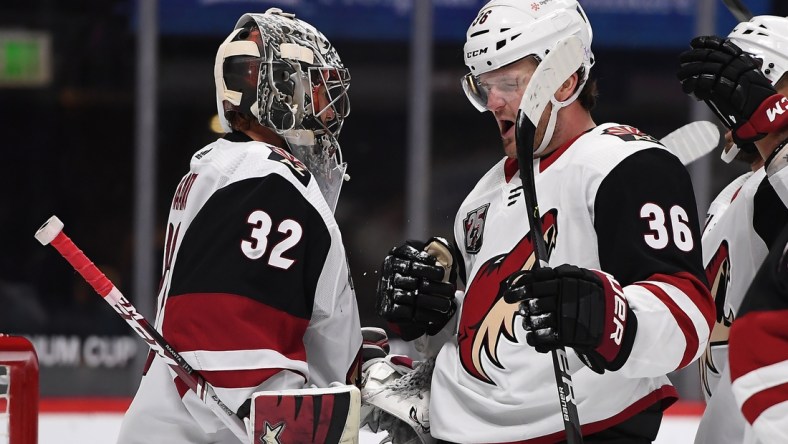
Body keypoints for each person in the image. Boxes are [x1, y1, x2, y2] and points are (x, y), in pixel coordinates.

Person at [372, 1, 714, 442]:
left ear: (567, 80)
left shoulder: (627, 165)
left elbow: (688, 316)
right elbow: (500, 340)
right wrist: (431, 311)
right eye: (484, 86)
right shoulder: (484, 193)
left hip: (583, 428)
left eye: (509, 83)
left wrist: (609, 316)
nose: (493, 102)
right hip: (452, 429)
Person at [116, 9, 362, 443]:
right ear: (284, 92)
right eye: (318, 89)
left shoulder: (233, 169)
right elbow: (231, 354)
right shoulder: (265, 179)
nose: (327, 114)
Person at [674, 15, 788, 444]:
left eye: (743, 87)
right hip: (727, 422)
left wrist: (773, 127)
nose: (727, 108)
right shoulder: (736, 193)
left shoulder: (775, 181)